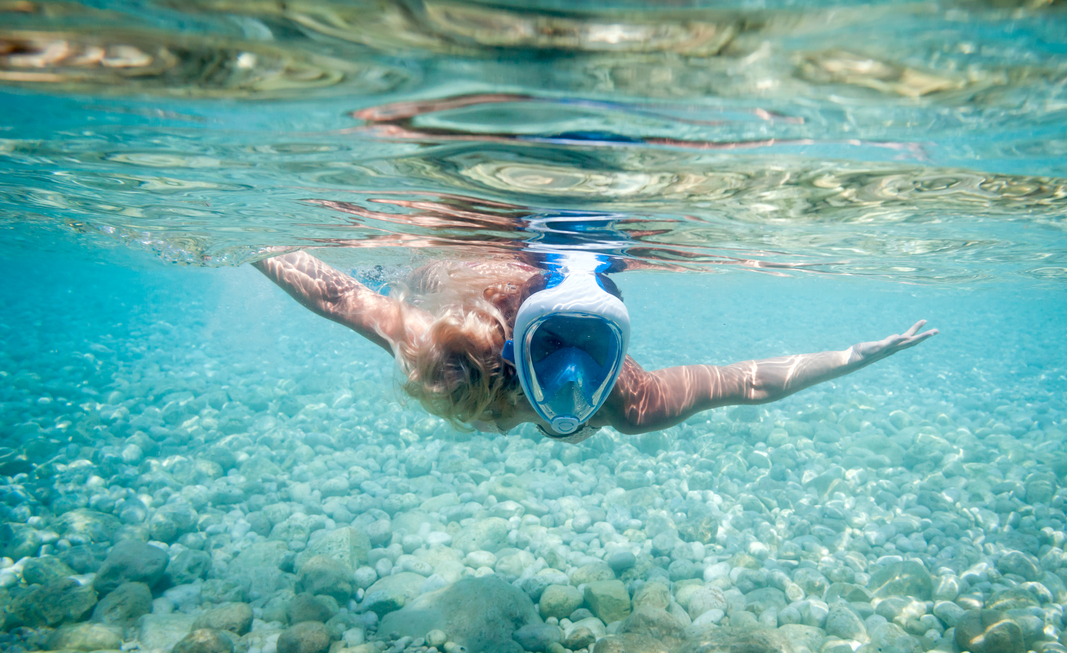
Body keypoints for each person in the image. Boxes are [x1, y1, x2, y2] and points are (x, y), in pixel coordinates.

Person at [252, 232, 937, 443]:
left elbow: (751, 382)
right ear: (512, 344)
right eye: (552, 347)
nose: (575, 379)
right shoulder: (461, 347)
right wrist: (260, 243)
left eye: (594, 354)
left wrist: (861, 356)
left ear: (618, 359)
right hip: (480, 271)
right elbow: (341, 293)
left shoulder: (629, 401)